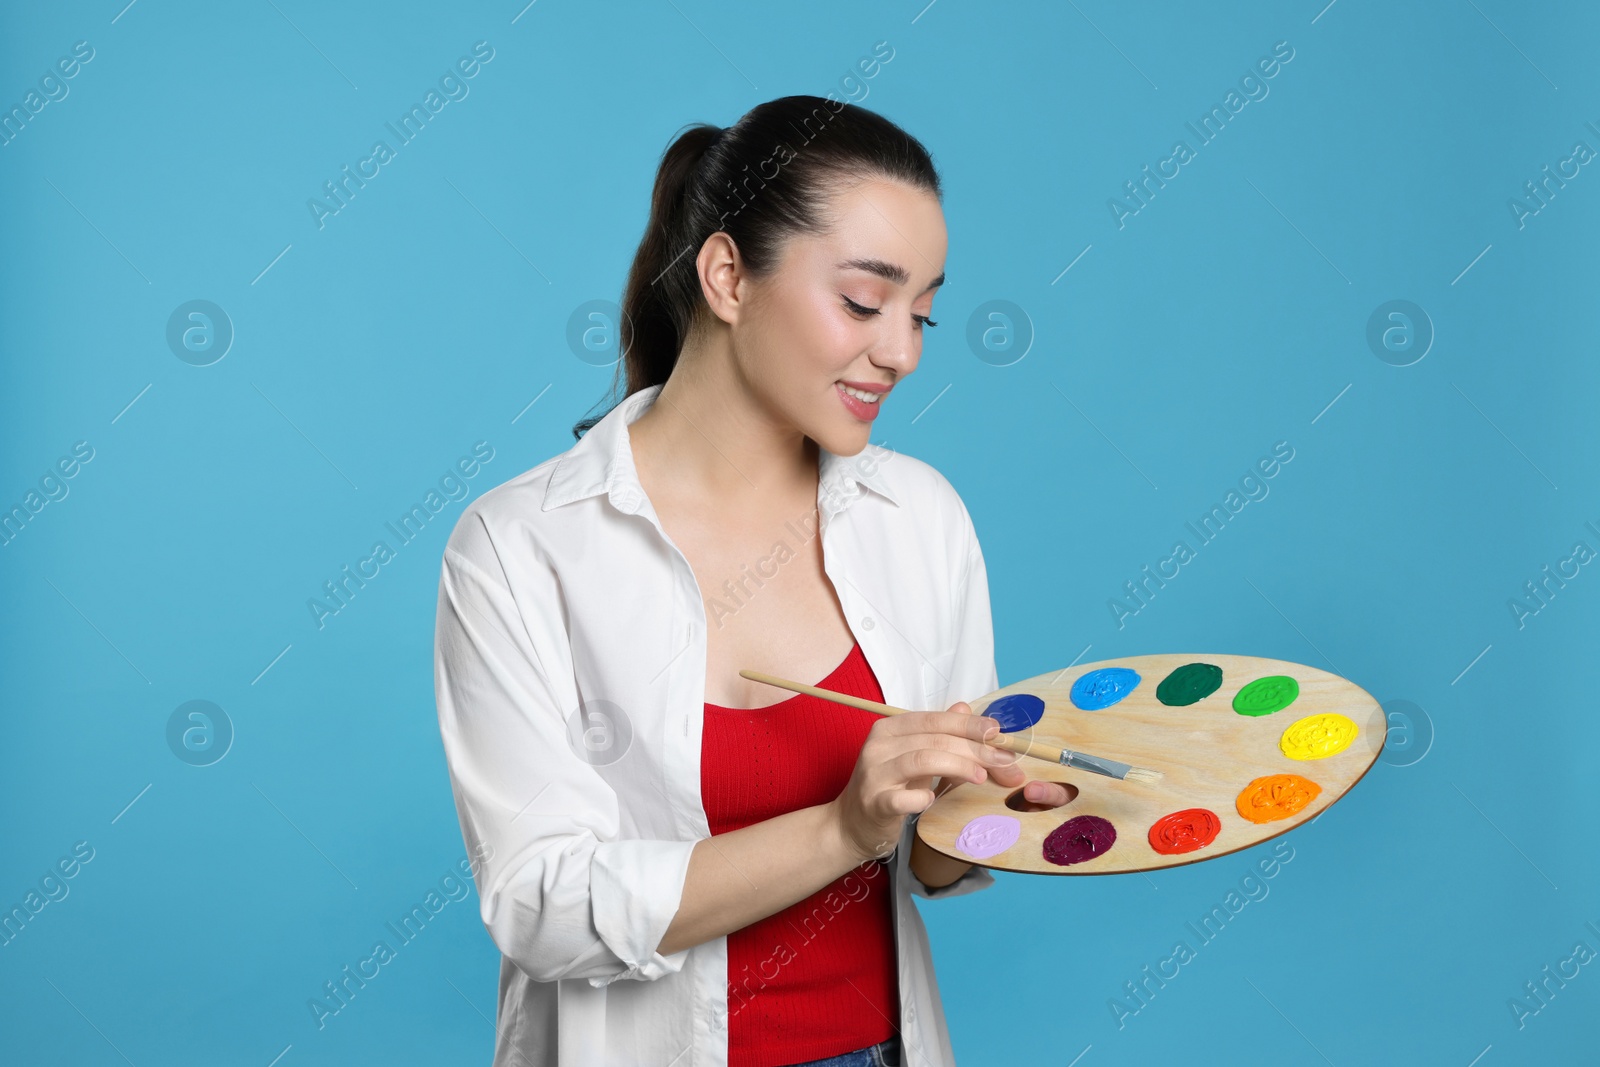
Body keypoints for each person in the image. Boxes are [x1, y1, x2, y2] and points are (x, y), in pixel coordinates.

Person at [433, 95, 1069, 1067]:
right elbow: (541, 902)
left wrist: (991, 805)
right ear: (727, 275)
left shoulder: (919, 517)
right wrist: (842, 824)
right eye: (863, 301)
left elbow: (936, 860)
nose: (900, 351)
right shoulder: (520, 546)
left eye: (923, 312)